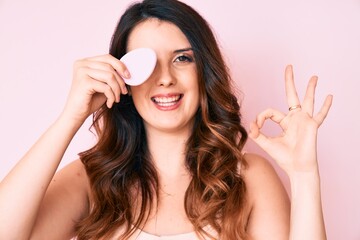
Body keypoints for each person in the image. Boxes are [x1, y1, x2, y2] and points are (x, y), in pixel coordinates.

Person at [0, 0, 333, 239]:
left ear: (205, 72)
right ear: (124, 77)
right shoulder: (90, 180)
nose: (164, 78)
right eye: (147, 63)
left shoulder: (248, 179)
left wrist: (305, 175)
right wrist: (70, 118)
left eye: (182, 59)